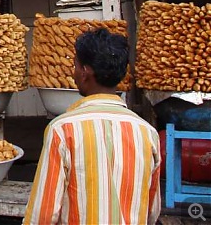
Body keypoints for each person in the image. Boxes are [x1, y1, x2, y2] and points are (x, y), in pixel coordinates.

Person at [23, 28, 161, 225]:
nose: (74, 72)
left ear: (85, 72)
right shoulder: (147, 133)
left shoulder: (63, 130)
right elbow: (152, 211)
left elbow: (42, 215)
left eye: (76, 66)